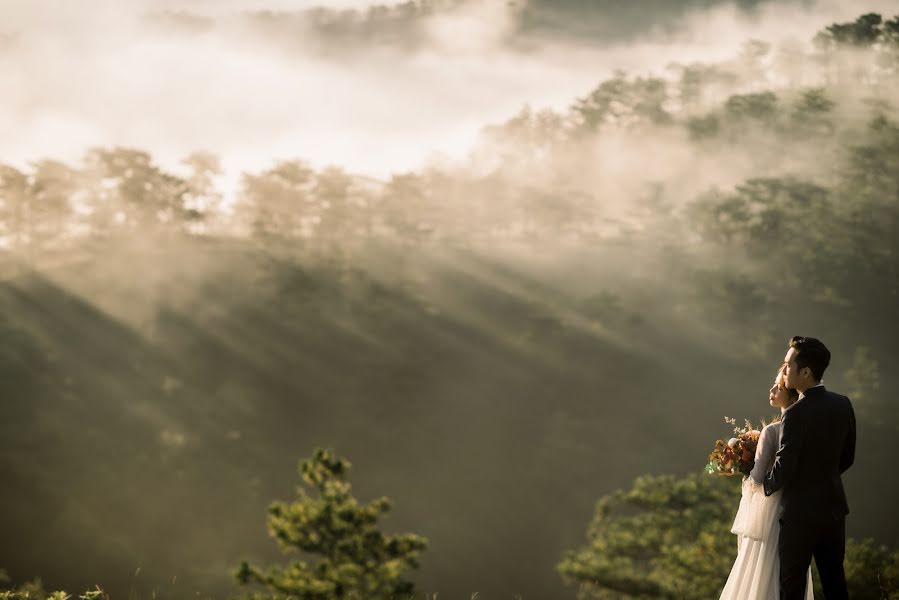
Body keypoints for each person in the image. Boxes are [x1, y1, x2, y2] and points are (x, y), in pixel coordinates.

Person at [765, 336, 856, 600]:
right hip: (834, 509)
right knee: (835, 584)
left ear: (805, 372)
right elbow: (847, 457)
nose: (784, 370)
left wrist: (761, 482)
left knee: (791, 587)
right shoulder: (843, 404)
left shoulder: (795, 414)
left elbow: (784, 466)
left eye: (787, 364)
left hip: (799, 515)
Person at [719, 372, 813, 599]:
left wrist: (744, 471)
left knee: (761, 562)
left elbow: (757, 477)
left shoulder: (772, 431)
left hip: (770, 510)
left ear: (790, 395)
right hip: (796, 508)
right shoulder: (806, 429)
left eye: (777, 388)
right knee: (788, 568)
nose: (771, 391)